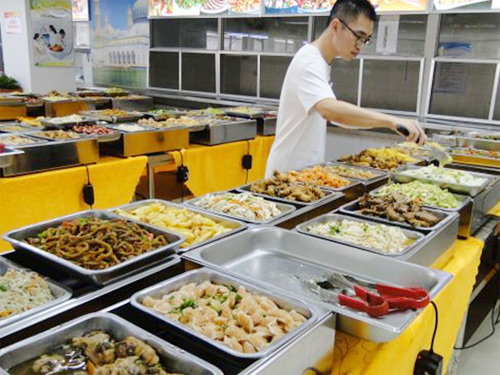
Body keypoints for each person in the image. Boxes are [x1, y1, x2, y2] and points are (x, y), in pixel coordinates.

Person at [265, 0, 427, 177]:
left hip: (304, 172)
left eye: (366, 40)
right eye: (358, 36)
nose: (360, 46)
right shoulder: (309, 61)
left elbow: (337, 117)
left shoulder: (322, 61)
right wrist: (391, 121)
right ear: (336, 26)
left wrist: (383, 122)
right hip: (286, 175)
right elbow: (329, 110)